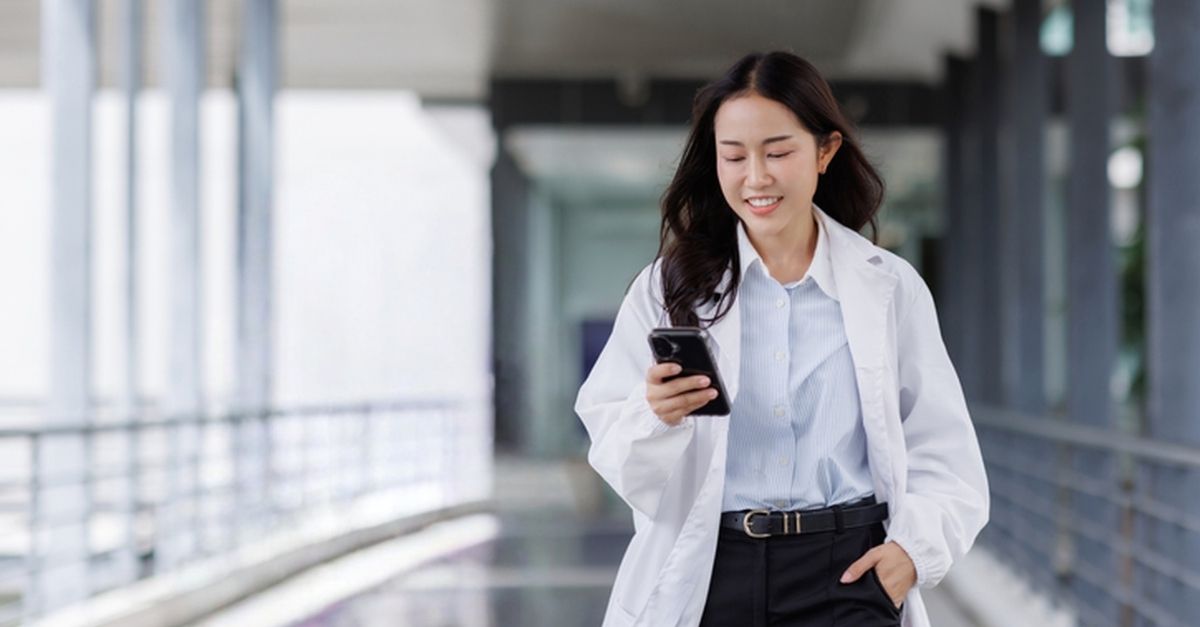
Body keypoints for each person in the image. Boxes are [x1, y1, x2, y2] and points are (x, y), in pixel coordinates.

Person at [575, 51, 989, 627]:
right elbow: (612, 448)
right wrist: (654, 414)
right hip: (712, 571)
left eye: (778, 152)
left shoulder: (890, 288)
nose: (756, 177)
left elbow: (943, 449)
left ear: (826, 151)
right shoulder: (668, 287)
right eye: (734, 156)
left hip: (848, 574)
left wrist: (909, 556)